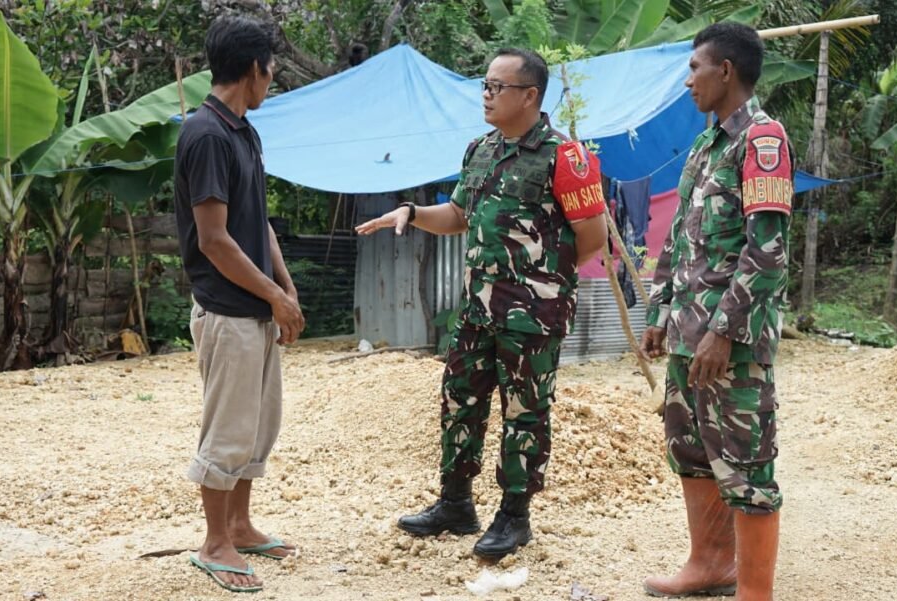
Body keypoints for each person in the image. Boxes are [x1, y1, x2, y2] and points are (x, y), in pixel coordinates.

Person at [356, 47, 608, 560]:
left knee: (525, 413)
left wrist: (542, 285)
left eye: (498, 87)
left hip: (532, 316)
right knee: (459, 403)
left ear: (530, 95)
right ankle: (455, 503)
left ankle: (514, 516)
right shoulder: (480, 150)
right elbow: (458, 214)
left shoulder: (567, 158)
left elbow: (593, 237)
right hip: (476, 309)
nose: (487, 96)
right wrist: (410, 211)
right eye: (485, 86)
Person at [640, 23, 793, 601]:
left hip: (731, 338)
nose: (688, 81)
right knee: (691, 449)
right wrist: (659, 312)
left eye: (694, 69)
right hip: (685, 334)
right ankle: (709, 565)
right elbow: (678, 240)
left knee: (745, 464)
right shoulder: (707, 146)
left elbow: (768, 249)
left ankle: (755, 590)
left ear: (724, 71)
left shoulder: (763, 140)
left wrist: (725, 331)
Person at [173, 14, 305, 594]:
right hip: (227, 310)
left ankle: (242, 526)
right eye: (272, 70)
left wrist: (285, 287)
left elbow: (258, 222)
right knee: (227, 431)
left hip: (255, 307)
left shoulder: (242, 130)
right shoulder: (204, 134)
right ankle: (215, 542)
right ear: (255, 69)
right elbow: (215, 240)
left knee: (257, 429)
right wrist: (273, 295)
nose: (271, 79)